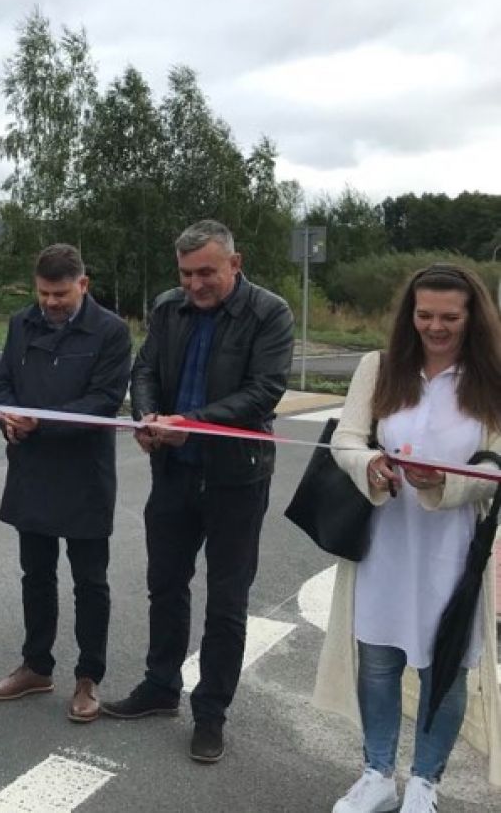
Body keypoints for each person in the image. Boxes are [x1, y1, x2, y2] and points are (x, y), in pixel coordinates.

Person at [102, 220, 294, 766]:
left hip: (236, 478)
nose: (194, 285)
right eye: (186, 274)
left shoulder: (270, 313)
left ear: (236, 263)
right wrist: (146, 418)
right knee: (165, 585)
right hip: (174, 472)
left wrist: (194, 423)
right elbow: (144, 371)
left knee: (227, 602)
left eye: (206, 272)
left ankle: (210, 714)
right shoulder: (169, 307)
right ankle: (160, 687)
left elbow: (264, 391)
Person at [319, 263, 501, 811]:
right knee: (377, 661)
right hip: (384, 542)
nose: (435, 327)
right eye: (425, 315)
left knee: (444, 667)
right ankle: (377, 774)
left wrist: (447, 482)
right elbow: (346, 440)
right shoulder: (378, 368)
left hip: (453, 549)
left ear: (472, 318)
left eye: (450, 317)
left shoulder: (491, 378)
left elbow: (497, 464)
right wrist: (369, 464)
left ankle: (425, 783)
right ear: (410, 314)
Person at [0, 246, 132, 720]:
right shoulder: (21, 324)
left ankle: (88, 677)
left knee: (90, 582)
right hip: (32, 469)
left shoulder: (111, 331)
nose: (50, 303)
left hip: (85, 474)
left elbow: (104, 400)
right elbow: (2, 383)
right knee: (36, 575)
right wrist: (8, 417)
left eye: (60, 294)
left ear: (83, 285)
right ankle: (36, 666)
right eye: (43, 293)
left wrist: (40, 422)